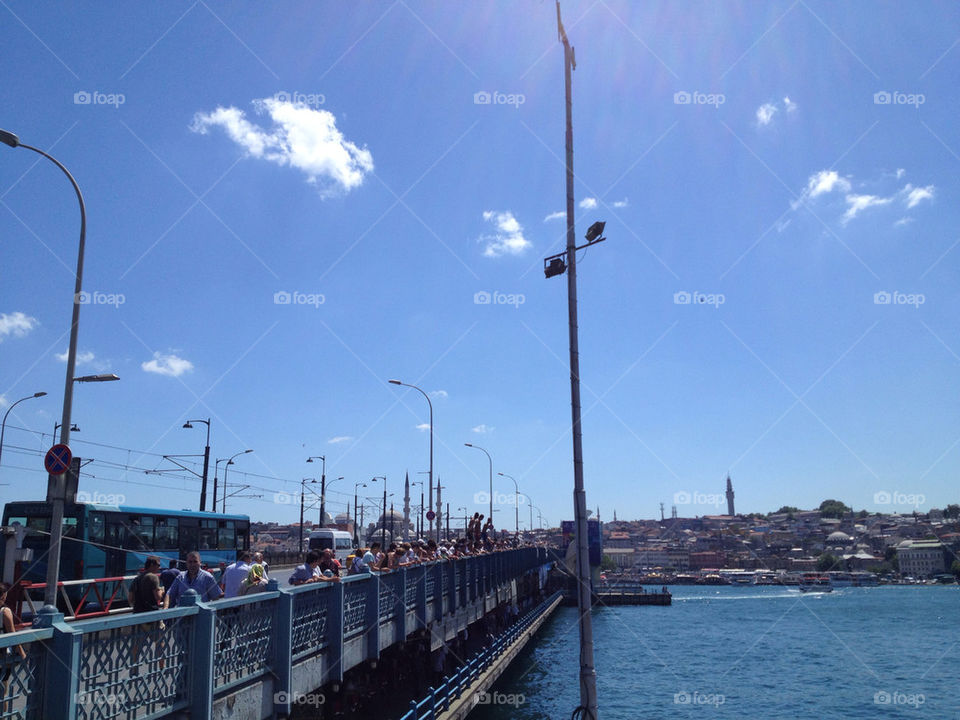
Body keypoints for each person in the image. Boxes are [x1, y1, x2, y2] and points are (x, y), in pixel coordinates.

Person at [127, 557, 166, 672]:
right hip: (152, 615)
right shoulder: (153, 577)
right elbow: (158, 597)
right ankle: (161, 668)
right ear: (152, 565)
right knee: (160, 642)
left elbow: (130, 599)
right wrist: (162, 591)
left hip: (138, 616)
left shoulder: (137, 578)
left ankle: (134, 669)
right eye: (158, 565)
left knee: (136, 646)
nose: (159, 567)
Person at [0, 582, 25, 712]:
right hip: (3, 656)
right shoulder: (5, 611)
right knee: (2, 691)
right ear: (3, 596)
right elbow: (12, 634)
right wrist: (21, 653)